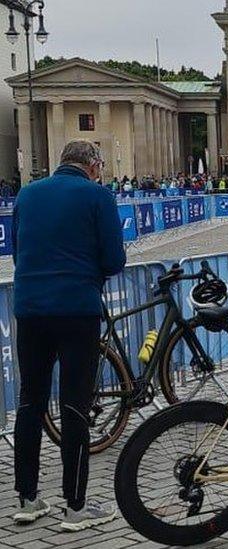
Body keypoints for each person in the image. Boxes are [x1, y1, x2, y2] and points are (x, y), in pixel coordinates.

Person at [11, 140, 124, 531]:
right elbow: (114, 259)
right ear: (93, 165)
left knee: (31, 401)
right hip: (77, 308)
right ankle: (75, 506)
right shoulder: (98, 196)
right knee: (75, 404)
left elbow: (18, 248)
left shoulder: (27, 194)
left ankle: (27, 498)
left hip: (29, 308)